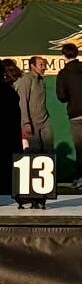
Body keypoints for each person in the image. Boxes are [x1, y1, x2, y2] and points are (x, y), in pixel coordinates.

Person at [14, 56, 53, 152]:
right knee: (35, 150)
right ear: (32, 66)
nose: (44, 67)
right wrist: (26, 123)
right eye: (41, 65)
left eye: (44, 64)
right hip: (32, 122)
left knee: (49, 149)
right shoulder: (26, 79)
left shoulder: (41, 80)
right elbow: (22, 101)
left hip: (44, 120)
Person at [56, 43, 82, 187]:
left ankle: (79, 178)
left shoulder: (63, 73)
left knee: (80, 148)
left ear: (64, 55)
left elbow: (61, 96)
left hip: (76, 114)